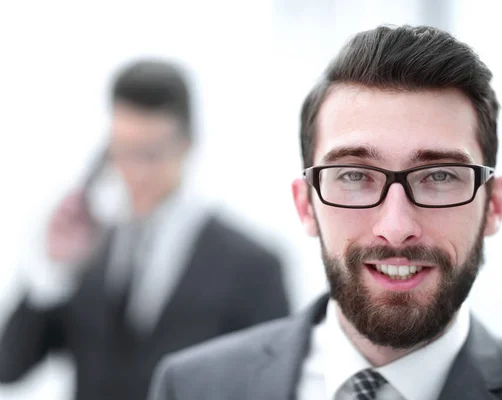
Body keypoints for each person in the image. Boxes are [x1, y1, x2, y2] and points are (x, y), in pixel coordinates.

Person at [148, 25, 502, 400]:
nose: (396, 228)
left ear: (493, 205)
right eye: (354, 176)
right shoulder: (191, 387)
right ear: (306, 205)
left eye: (439, 177)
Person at [0, 59, 289, 400]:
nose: (135, 172)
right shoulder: (88, 247)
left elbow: (273, 387)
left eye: (151, 154)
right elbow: (10, 367)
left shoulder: (253, 266)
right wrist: (51, 269)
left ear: (187, 146)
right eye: (122, 152)